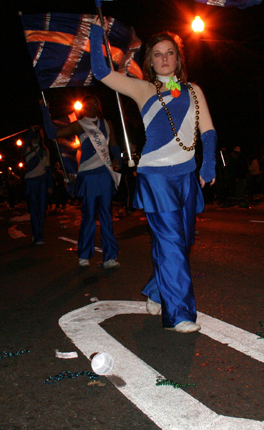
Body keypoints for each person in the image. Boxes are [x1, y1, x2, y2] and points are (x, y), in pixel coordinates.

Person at [88, 20, 216, 333]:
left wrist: (208, 165)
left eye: (169, 53)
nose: (163, 58)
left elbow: (208, 131)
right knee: (171, 243)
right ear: (149, 61)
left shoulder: (193, 91)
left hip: (186, 175)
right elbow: (101, 72)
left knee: (182, 243)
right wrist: (94, 33)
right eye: (157, 54)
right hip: (156, 177)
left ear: (178, 58)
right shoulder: (142, 88)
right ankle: (180, 314)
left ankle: (159, 290)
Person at [41, 95, 121, 267]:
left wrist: (118, 159)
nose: (92, 105)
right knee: (89, 216)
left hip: (105, 174)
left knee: (107, 216)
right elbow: (52, 133)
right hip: (89, 175)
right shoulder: (79, 124)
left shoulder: (107, 124)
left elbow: (114, 145)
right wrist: (45, 111)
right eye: (88, 103)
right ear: (84, 108)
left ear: (99, 105)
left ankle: (110, 257)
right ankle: (84, 254)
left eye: (95, 102)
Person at [22, 125, 53, 246]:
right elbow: (22, 148)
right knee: (34, 210)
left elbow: (48, 168)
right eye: (34, 136)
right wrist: (30, 132)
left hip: (42, 182)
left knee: (41, 210)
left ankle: (39, 233)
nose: (36, 138)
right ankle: (38, 235)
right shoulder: (28, 148)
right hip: (31, 182)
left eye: (37, 136)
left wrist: (50, 185)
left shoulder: (45, 150)